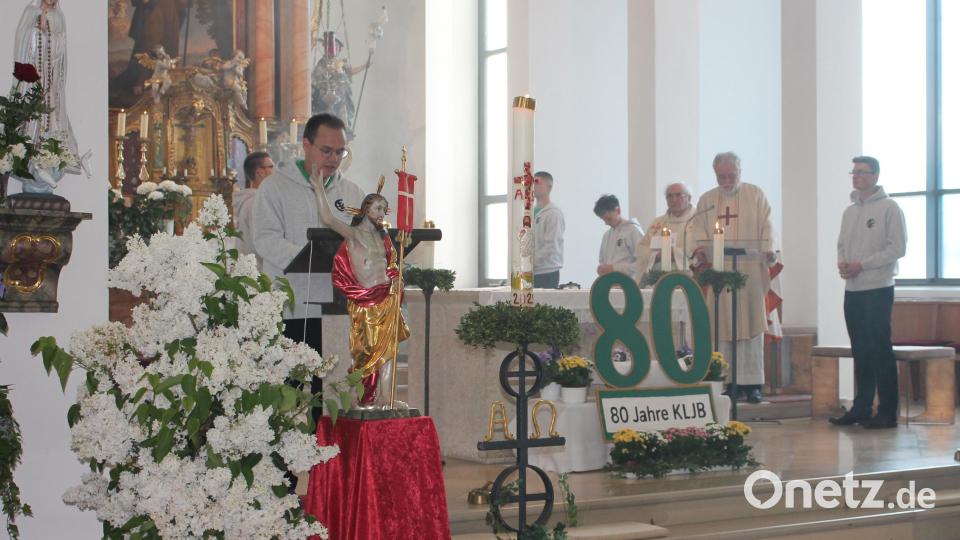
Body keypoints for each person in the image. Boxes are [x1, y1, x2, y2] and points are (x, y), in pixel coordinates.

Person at [253, 113, 364, 353]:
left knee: (337, 388)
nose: (333, 159)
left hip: (340, 307)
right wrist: (311, 256)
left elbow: (363, 240)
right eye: (326, 150)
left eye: (339, 152)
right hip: (292, 305)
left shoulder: (353, 193)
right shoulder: (274, 188)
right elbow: (265, 239)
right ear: (306, 145)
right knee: (296, 386)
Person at [311, 176, 410, 408]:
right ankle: (357, 397)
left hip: (386, 298)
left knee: (388, 350)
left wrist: (397, 280)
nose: (381, 214)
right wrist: (319, 189)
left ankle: (386, 396)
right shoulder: (353, 235)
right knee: (364, 351)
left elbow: (393, 267)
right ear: (366, 209)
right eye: (377, 208)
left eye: (384, 210)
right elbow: (327, 218)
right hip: (365, 301)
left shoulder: (383, 239)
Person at [692, 152, 779, 404]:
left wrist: (769, 248)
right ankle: (727, 380)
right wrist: (699, 249)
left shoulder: (755, 195)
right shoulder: (707, 200)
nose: (727, 181)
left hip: (749, 273)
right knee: (723, 327)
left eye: (732, 175)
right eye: (722, 176)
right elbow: (698, 230)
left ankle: (752, 383)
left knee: (751, 326)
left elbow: (768, 225)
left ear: (740, 172)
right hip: (720, 274)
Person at [829, 156, 906, 429]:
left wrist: (862, 265)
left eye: (861, 172)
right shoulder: (850, 212)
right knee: (860, 350)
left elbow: (897, 248)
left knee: (880, 350)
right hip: (854, 289)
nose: (856, 176)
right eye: (854, 172)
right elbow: (841, 244)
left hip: (878, 288)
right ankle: (861, 408)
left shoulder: (889, 208)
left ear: (875, 176)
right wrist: (844, 264)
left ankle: (887, 412)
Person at [636, 182, 696, 284]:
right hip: (657, 280)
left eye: (678, 195)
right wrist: (657, 256)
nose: (674, 199)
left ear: (689, 198)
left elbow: (701, 249)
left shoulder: (698, 220)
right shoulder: (657, 223)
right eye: (669, 196)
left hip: (688, 279)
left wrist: (675, 254)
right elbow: (642, 249)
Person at [232, 151, 273, 270]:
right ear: (260, 172)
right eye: (271, 167)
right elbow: (263, 243)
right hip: (259, 274)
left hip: (250, 269)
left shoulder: (251, 200)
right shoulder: (257, 202)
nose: (275, 172)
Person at [594, 194, 644, 283]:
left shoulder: (633, 231)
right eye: (604, 220)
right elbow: (602, 261)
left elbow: (642, 263)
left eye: (609, 219)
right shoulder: (606, 235)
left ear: (618, 210)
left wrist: (615, 268)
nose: (606, 223)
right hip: (609, 284)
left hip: (628, 284)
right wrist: (602, 268)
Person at [533, 171, 565, 288]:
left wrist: (531, 263)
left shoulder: (553, 213)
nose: (533, 186)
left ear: (549, 187)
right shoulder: (530, 213)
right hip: (530, 271)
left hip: (546, 272)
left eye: (537, 182)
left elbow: (551, 245)